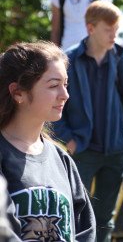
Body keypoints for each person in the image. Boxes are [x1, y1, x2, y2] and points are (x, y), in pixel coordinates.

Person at [52, 0, 123, 242]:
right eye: (108, 29)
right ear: (90, 28)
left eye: (116, 29)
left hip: (116, 150)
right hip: (82, 149)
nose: (114, 34)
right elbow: (56, 103)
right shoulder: (68, 60)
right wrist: (68, 139)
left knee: (104, 217)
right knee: (72, 210)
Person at [0, 41, 96, 241]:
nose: (65, 95)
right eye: (54, 85)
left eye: (65, 84)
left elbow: (85, 229)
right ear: (18, 92)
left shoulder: (61, 159)